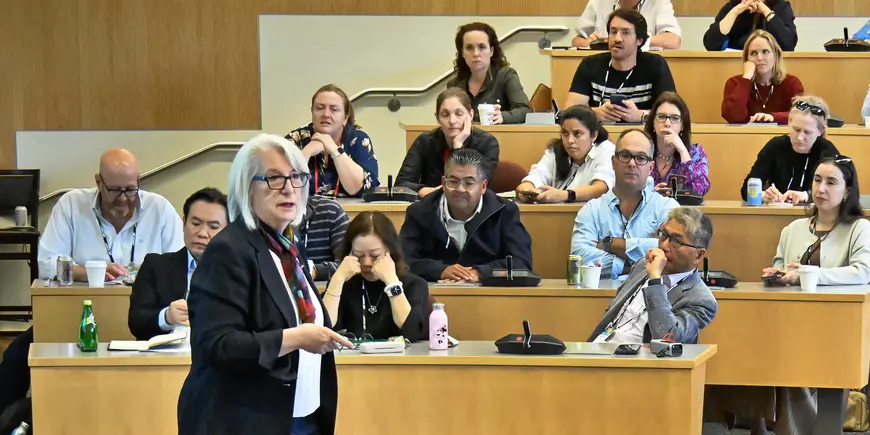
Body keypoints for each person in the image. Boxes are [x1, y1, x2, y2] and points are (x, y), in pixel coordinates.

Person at [177, 134, 354, 435]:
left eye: (296, 177)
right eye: (273, 178)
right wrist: (296, 338)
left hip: (299, 414)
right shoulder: (229, 250)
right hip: (243, 419)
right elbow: (218, 346)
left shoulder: (288, 245)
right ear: (247, 189)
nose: (288, 188)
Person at [0, 148, 184, 419]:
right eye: (115, 190)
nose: (124, 199)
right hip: (75, 317)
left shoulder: (160, 209)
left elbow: (180, 264)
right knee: (18, 355)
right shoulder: (72, 205)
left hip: (145, 321)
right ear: (98, 182)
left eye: (131, 190)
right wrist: (87, 272)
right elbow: (47, 263)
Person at [726, 156, 870, 435]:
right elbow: (782, 267)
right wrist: (777, 276)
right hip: (792, 323)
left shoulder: (860, 229)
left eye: (831, 182)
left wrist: (808, 274)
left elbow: (863, 273)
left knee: (811, 369)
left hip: (838, 326)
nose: (821, 189)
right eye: (817, 180)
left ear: (848, 191)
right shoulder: (793, 229)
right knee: (766, 355)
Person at [400, 149, 533, 283]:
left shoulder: (505, 211)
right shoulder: (420, 211)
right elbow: (402, 261)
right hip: (433, 293)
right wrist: (440, 270)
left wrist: (479, 273)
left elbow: (521, 263)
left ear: (483, 186)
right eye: (453, 181)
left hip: (489, 295)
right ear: (444, 183)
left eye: (469, 183)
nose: (460, 189)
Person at [588, 207, 718, 344]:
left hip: (642, 359)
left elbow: (667, 337)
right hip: (602, 346)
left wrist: (655, 281)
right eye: (664, 235)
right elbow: (614, 310)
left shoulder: (702, 300)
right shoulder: (642, 266)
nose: (664, 246)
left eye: (676, 241)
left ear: (698, 255)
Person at [570, 129, 679, 278]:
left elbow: (672, 250)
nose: (632, 163)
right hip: (601, 298)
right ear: (613, 162)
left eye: (640, 158)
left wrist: (610, 244)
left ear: (650, 168)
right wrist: (630, 265)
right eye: (625, 156)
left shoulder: (667, 208)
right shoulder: (591, 210)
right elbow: (579, 256)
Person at [128, 187, 229, 341]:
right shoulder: (156, 266)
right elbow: (136, 322)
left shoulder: (238, 271)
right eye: (195, 223)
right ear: (183, 223)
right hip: (167, 359)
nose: (202, 233)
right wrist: (166, 317)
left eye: (213, 227)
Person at [323, 211, 429, 341]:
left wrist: (392, 282)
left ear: (390, 251)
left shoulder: (414, 285)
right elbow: (322, 329)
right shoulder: (342, 285)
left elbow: (411, 331)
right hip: (351, 360)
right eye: (358, 255)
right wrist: (337, 279)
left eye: (375, 256)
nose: (366, 263)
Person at [565, 9, 677, 123]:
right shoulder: (590, 64)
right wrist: (595, 114)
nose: (617, 38)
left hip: (643, 137)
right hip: (598, 137)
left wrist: (640, 116)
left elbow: (673, 113)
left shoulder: (655, 65)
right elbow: (569, 111)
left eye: (626, 32)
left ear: (639, 40)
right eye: (613, 32)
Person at [396, 88, 500, 197]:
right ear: (437, 118)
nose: (452, 121)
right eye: (445, 115)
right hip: (432, 206)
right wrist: (425, 191)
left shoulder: (487, 143)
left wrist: (458, 147)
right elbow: (401, 185)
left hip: (472, 208)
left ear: (471, 115)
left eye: (459, 114)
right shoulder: (425, 141)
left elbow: (476, 186)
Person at [740, 96, 839, 204]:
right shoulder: (775, 146)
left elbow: (838, 193)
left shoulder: (827, 152)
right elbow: (746, 189)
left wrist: (806, 195)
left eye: (807, 132)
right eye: (796, 130)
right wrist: (762, 195)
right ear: (789, 122)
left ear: (820, 131)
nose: (800, 137)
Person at [285, 84, 379, 198]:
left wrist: (334, 149)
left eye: (334, 109)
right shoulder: (296, 138)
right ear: (312, 112)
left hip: (349, 213)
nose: (326, 114)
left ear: (345, 117)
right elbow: (282, 183)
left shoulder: (358, 139)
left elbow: (361, 188)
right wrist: (307, 152)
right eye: (320, 108)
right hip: (303, 213)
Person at [516, 105, 616, 203]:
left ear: (594, 135)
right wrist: (527, 189)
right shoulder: (556, 150)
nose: (570, 140)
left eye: (577, 133)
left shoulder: (606, 150)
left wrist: (565, 195)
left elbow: (601, 188)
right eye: (565, 133)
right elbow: (537, 175)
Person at [446, 22, 531, 124]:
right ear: (462, 53)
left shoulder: (506, 76)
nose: (476, 53)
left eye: (482, 47)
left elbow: (525, 111)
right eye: (469, 48)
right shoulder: (455, 84)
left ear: (491, 51)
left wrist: (503, 117)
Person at [721, 30, 804, 124]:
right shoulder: (734, 83)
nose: (760, 58)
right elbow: (734, 117)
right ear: (746, 59)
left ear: (776, 55)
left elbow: (800, 115)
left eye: (765, 52)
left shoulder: (791, 83)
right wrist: (746, 79)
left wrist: (773, 117)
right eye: (753, 53)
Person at [644, 92, 711, 195]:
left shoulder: (695, 153)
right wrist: (651, 194)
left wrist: (683, 151)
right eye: (661, 117)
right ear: (653, 122)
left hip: (681, 210)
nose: (667, 123)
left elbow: (699, 190)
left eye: (675, 118)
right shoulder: (642, 152)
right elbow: (629, 191)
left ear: (682, 125)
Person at [572, 0, 682, 50]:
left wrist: (633, 41)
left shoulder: (659, 2)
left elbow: (673, 40)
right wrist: (592, 43)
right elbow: (576, 41)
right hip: (603, 70)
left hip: (643, 69)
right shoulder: (598, 2)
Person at [703, 0, 797, 52]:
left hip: (771, 70)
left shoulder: (781, 6)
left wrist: (767, 13)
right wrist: (735, 12)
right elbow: (711, 45)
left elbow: (789, 44)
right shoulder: (732, 6)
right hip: (735, 67)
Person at [295, 195, 349, 281]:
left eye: (296, 180)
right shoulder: (266, 220)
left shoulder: (331, 211)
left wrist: (313, 270)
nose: (289, 188)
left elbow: (348, 266)